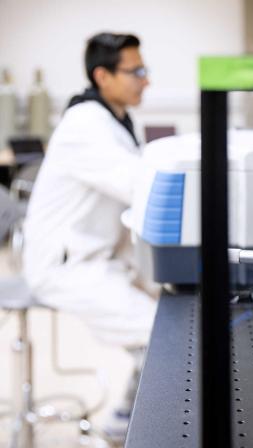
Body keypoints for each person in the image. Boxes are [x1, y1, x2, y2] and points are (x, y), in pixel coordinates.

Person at [22, 32, 157, 436]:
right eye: (137, 72)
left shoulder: (115, 119)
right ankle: (126, 425)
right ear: (103, 75)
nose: (146, 80)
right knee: (161, 332)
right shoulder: (85, 124)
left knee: (175, 314)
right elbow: (138, 184)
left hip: (100, 258)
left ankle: (125, 419)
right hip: (66, 267)